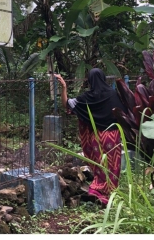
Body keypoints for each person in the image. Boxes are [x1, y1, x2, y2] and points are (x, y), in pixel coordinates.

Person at [55, 69, 126, 205]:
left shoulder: (87, 97)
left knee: (99, 164)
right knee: (113, 165)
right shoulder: (113, 94)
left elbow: (67, 105)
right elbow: (122, 112)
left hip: (97, 137)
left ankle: (99, 190)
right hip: (112, 136)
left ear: (90, 80)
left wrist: (64, 86)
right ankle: (111, 192)